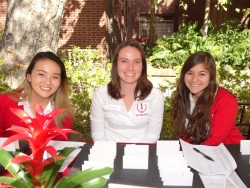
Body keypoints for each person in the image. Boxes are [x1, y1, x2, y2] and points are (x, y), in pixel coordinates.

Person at [90, 39, 164, 143]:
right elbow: (98, 135)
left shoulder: (155, 96)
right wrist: (113, 156)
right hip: (109, 153)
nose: (130, 68)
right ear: (116, 64)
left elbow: (152, 135)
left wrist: (132, 156)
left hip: (142, 153)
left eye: (136, 62)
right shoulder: (100, 95)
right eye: (124, 61)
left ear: (143, 66)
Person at [171, 51, 244, 146]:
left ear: (211, 76)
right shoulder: (184, 96)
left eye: (202, 74)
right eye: (190, 73)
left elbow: (214, 141)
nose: (194, 79)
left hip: (230, 152)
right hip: (200, 151)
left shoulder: (226, 100)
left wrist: (192, 154)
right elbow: (186, 135)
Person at [0, 51, 74, 139]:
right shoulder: (5, 101)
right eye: (41, 74)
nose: (47, 82)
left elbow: (58, 150)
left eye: (55, 77)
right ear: (29, 76)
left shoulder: (64, 114)